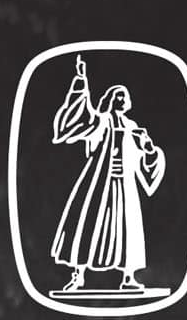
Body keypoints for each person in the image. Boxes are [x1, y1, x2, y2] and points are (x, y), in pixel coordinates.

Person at [52, 54, 165, 294]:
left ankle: (129, 277)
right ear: (111, 100)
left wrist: (148, 149)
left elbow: (147, 160)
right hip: (99, 182)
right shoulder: (102, 121)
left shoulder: (133, 128)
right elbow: (83, 119)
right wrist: (81, 82)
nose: (122, 99)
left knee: (127, 229)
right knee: (88, 223)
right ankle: (78, 276)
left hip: (125, 185)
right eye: (118, 96)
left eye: (125, 96)